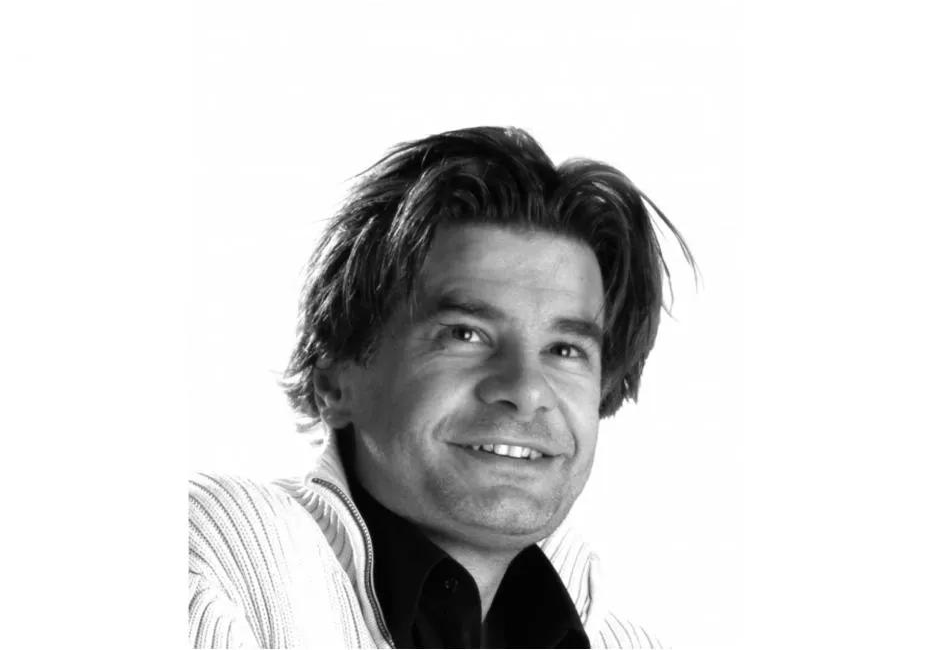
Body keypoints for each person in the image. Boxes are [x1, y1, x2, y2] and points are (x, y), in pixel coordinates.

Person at [189, 126, 695, 648]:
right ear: (335, 381)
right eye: (465, 334)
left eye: (565, 350)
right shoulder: (223, 558)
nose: (526, 390)